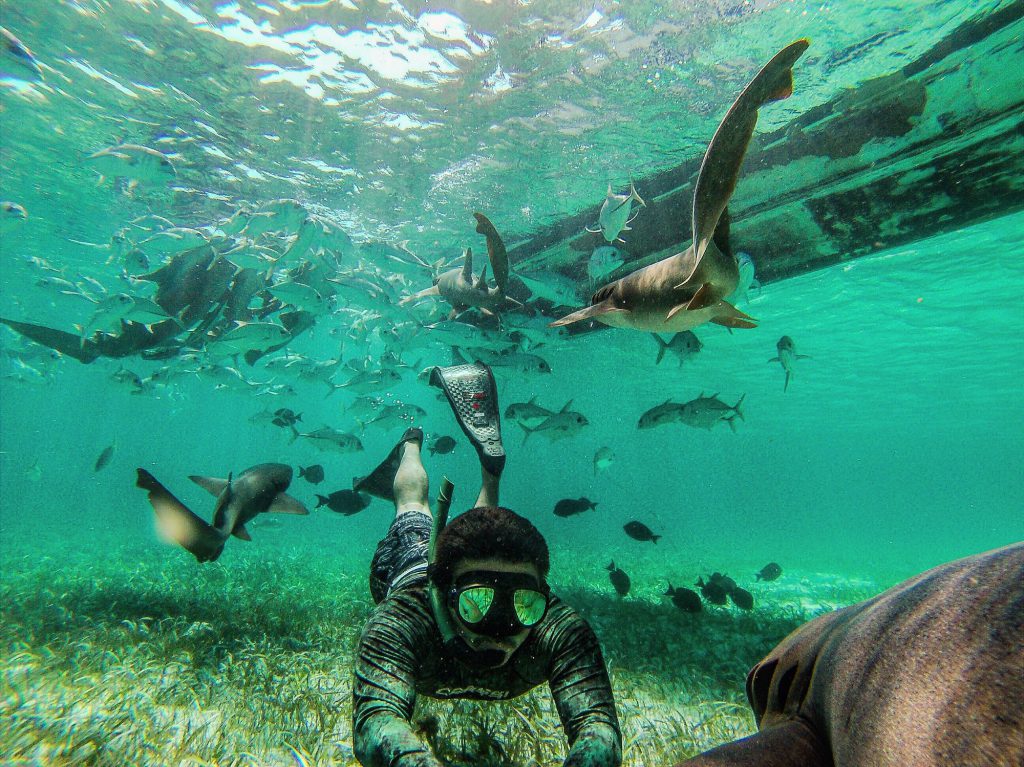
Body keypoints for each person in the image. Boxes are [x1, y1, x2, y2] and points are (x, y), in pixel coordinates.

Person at [351, 362, 621, 767]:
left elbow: (598, 729)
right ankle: (411, 443)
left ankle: (488, 477)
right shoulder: (404, 620)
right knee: (411, 505)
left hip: (458, 568)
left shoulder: (558, 629)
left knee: (483, 542)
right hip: (413, 563)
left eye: (523, 605)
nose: (501, 630)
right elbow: (375, 723)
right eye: (477, 602)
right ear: (444, 592)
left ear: (543, 596)